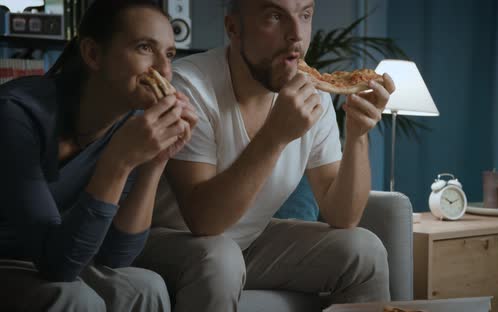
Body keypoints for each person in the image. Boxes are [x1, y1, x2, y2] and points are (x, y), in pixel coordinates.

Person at [135, 0, 395, 311]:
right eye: (275, 16)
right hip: (172, 241)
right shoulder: (190, 86)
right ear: (234, 28)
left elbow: (343, 215)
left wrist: (357, 134)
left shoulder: (315, 95)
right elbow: (204, 221)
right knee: (221, 258)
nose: (296, 34)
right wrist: (274, 136)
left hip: (250, 243)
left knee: (364, 249)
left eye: (305, 14)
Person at [0, 0, 197, 311]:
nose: (164, 70)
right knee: (73, 297)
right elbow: (58, 267)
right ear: (93, 54)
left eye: (169, 54)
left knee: (146, 286)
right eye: (145, 47)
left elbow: (116, 256)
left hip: (52, 255)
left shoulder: (131, 122)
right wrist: (119, 162)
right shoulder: (16, 114)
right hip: (10, 257)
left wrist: (156, 161)